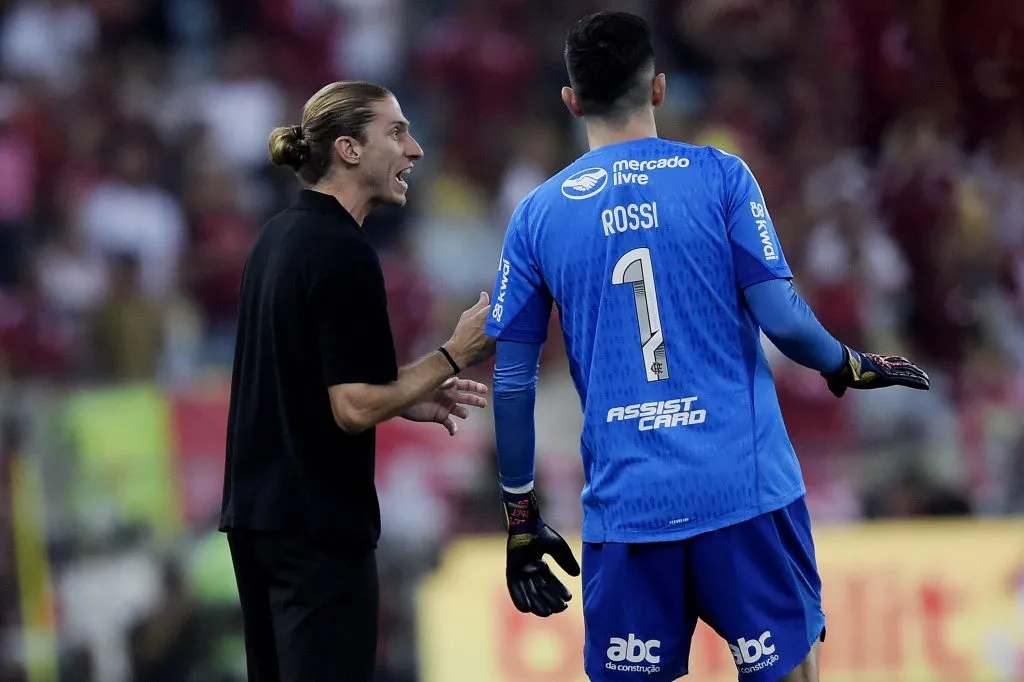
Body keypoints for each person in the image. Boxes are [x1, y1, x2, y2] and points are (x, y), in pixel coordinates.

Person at [486, 12, 930, 682]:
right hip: (742, 489)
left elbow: (513, 384)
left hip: (628, 507)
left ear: (571, 101)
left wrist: (521, 519)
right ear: (659, 88)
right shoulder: (721, 176)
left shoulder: (538, 215)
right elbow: (781, 317)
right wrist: (849, 365)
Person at [219, 80, 494, 682]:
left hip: (257, 521)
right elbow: (350, 406)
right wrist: (454, 353)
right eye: (396, 133)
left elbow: (309, 383)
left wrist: (407, 394)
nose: (414, 150)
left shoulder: (276, 237)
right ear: (348, 149)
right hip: (318, 532)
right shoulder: (342, 250)